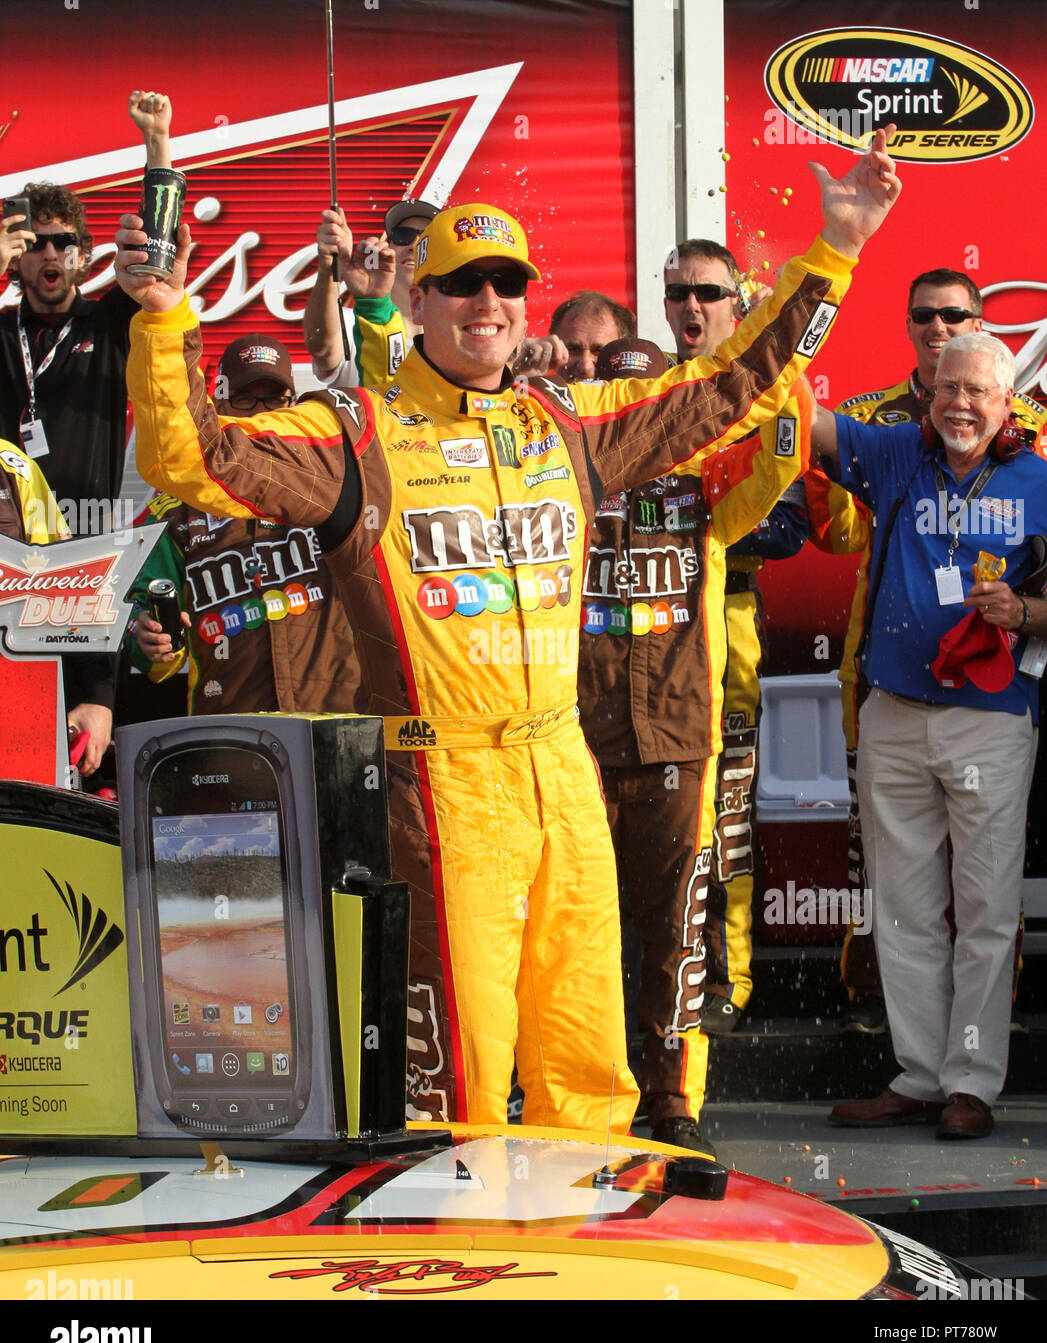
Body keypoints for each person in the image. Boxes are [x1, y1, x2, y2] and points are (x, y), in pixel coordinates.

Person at [115, 128, 901, 1132]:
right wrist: (164, 316)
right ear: (422, 298)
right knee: (466, 1072)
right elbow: (194, 457)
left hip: (560, 759)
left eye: (507, 283)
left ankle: (592, 1247)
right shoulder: (357, 432)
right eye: (463, 282)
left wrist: (835, 246)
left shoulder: (565, 425)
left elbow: (730, 389)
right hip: (438, 781)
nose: (489, 302)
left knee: (585, 1054)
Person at [577, 336, 811, 1149]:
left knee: (676, 927)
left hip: (678, 735)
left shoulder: (709, 488)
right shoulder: (559, 483)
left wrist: (788, 373)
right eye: (629, 405)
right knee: (582, 927)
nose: (649, 431)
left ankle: (674, 1101)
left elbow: (783, 455)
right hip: (574, 739)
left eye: (661, 411)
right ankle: (591, 1096)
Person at [803, 270, 1047, 1034]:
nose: (960, 404)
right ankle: (917, 1073)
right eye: (946, 389)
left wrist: (1024, 609)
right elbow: (798, 417)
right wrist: (807, 282)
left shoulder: (1038, 476)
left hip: (994, 718)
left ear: (1011, 404)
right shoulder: (894, 455)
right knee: (904, 910)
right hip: (894, 711)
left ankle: (971, 1079)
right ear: (928, 393)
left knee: (982, 908)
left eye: (977, 391)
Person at [0, 89, 172, 775]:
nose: (48, 253)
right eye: (33, 241)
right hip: (2, 550)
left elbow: (156, 264)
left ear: (82, 252)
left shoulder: (107, 324)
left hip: (80, 552)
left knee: (76, 761)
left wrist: (156, 145)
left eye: (62, 242)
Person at [664, 239, 809, 1035]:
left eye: (707, 294)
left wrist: (696, 535)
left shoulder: (771, 393)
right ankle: (664, 976)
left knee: (724, 814)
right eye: (678, 293)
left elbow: (786, 529)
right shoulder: (642, 392)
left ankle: (733, 982)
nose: (691, 308)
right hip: (636, 640)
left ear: (737, 304)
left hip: (727, 625)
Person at [126, 333, 360, 716]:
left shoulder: (333, 486)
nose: (260, 413)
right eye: (246, 399)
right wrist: (149, 636)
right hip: (228, 727)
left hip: (340, 719)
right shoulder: (176, 509)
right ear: (218, 403)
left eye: (273, 399)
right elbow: (148, 631)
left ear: (294, 406)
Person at [304, 198, 437, 389]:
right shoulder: (353, 321)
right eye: (402, 235)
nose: (413, 244)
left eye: (426, 238)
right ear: (389, 247)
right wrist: (328, 268)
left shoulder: (455, 335)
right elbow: (321, 348)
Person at [546, 291, 635, 382]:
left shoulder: (643, 394)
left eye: (599, 351)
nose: (585, 367)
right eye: (573, 349)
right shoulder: (532, 393)